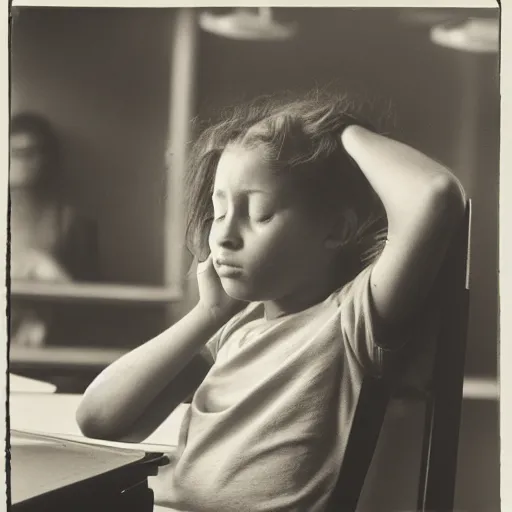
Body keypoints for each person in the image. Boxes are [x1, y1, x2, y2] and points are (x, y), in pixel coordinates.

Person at [76, 91, 466, 512]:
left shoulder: (351, 321)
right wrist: (208, 315)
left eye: (258, 214)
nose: (225, 235)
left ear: (336, 229)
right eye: (219, 209)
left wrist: (337, 129)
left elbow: (435, 194)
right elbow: (100, 420)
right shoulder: (234, 332)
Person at [10, 112, 99, 347]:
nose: (21, 160)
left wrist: (53, 274)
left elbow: (91, 306)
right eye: (13, 152)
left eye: (31, 152)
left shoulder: (72, 222)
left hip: (51, 345)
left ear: (47, 158)